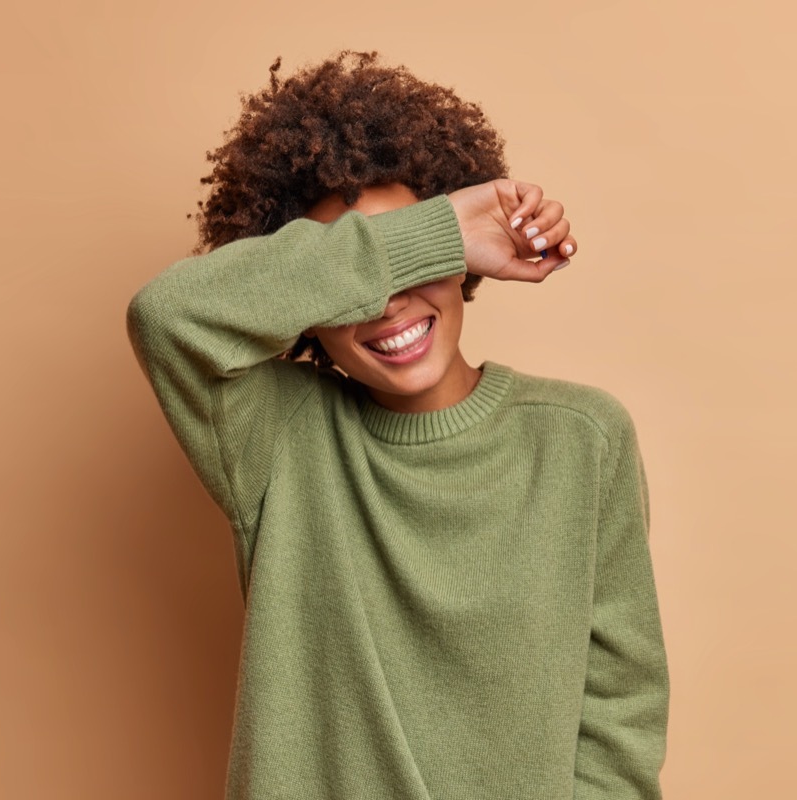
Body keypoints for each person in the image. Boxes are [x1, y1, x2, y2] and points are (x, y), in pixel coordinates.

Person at [126, 50, 669, 800]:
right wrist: (436, 229)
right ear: (309, 299)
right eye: (364, 269)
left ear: (461, 266)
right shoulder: (279, 440)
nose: (385, 303)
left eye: (410, 253)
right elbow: (167, 317)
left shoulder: (582, 439)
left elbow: (619, 717)